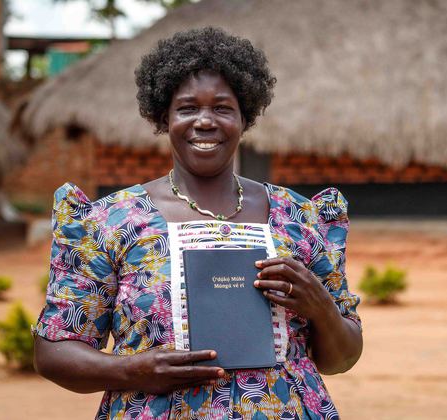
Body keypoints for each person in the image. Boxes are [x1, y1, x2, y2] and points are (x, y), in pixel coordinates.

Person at [34, 27, 362, 419]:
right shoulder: (112, 222)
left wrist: (321, 306)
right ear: (164, 117)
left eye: (223, 108)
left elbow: (341, 358)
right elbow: (52, 350)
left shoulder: (299, 219)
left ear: (245, 117)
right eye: (187, 108)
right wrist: (130, 370)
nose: (205, 121)